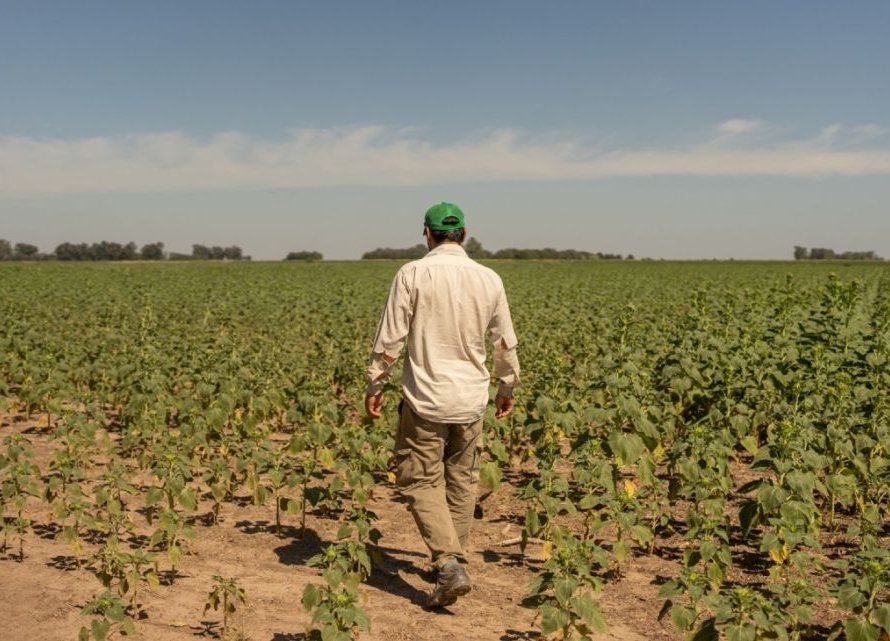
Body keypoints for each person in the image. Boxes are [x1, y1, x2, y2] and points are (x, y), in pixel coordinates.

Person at [364, 202, 520, 608]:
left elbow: (390, 339)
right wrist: (507, 387)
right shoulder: (489, 278)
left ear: (427, 234)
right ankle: (454, 561)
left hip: (426, 398)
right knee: (462, 480)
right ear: (464, 234)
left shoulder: (413, 274)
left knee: (418, 479)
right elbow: (504, 341)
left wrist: (375, 384)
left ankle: (449, 562)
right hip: (471, 399)